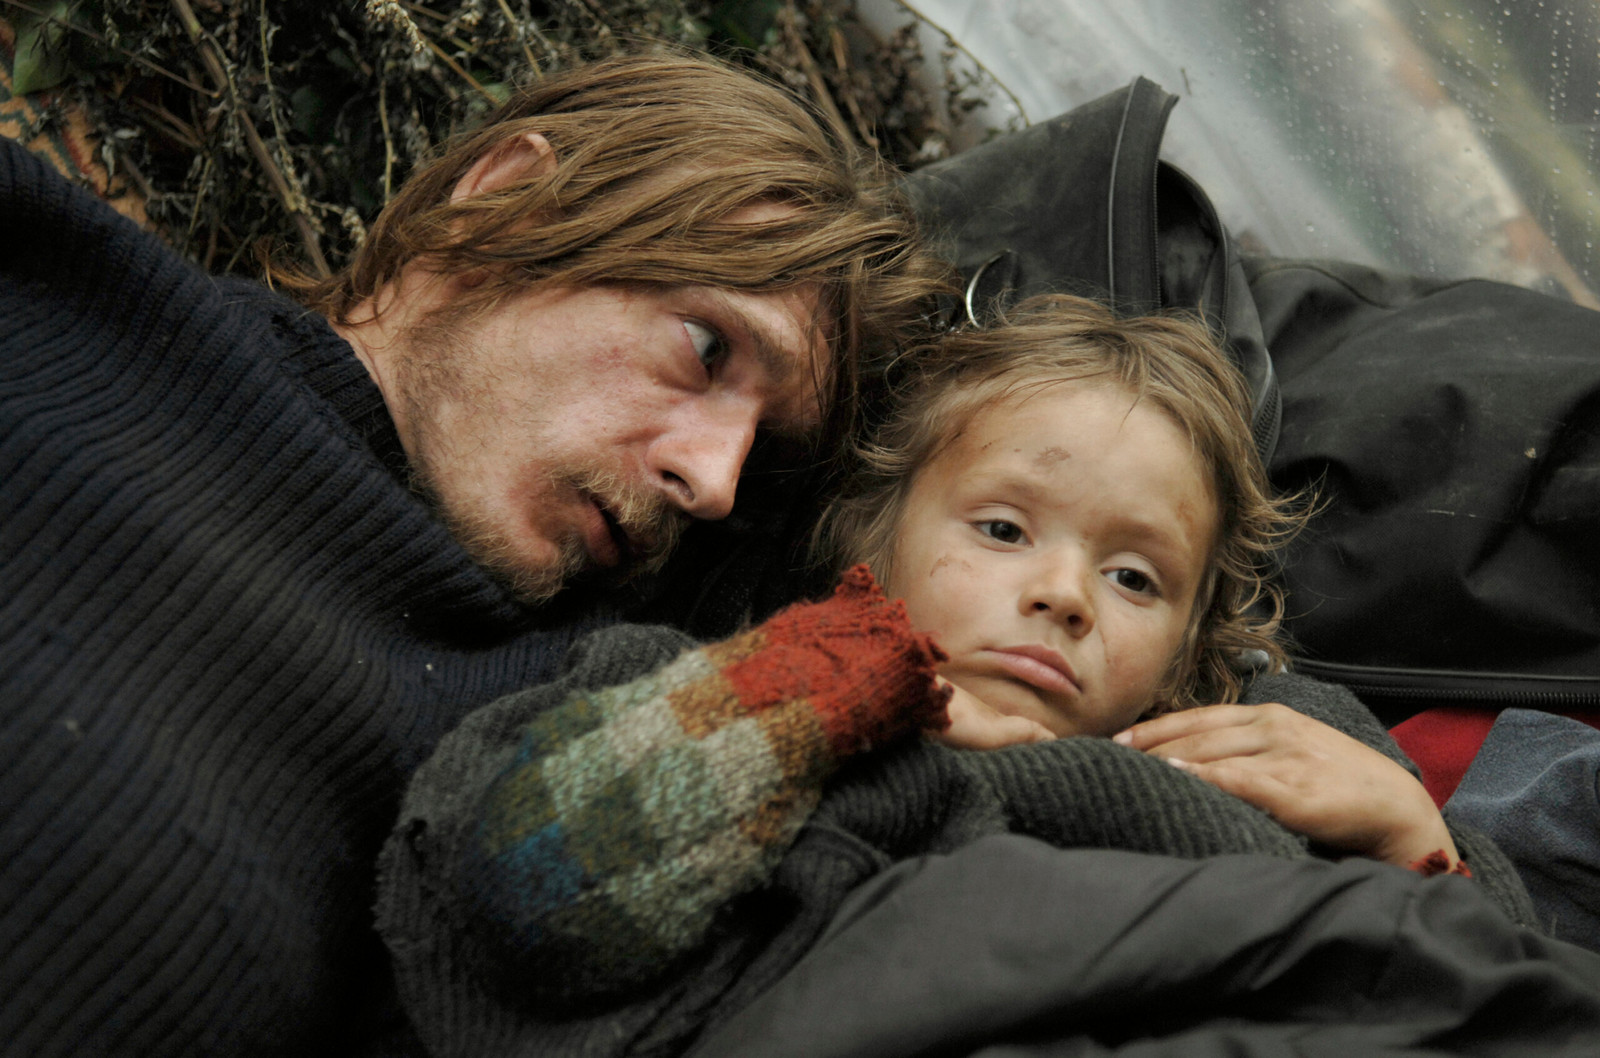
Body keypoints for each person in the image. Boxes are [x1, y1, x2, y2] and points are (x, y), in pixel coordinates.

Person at [0, 50, 945, 1057]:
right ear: (505, 199)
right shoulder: (50, 273)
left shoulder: (540, 749)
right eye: (706, 347)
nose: (714, 481)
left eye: (762, 457)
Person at [376, 294, 1540, 1057]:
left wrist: (1415, 843)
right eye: (1001, 529)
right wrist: (837, 686)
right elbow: (535, 886)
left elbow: (1489, 1008)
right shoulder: (705, 688)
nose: (1067, 593)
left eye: (1135, 577)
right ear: (866, 536)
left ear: (1187, 659)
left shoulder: (1263, 775)